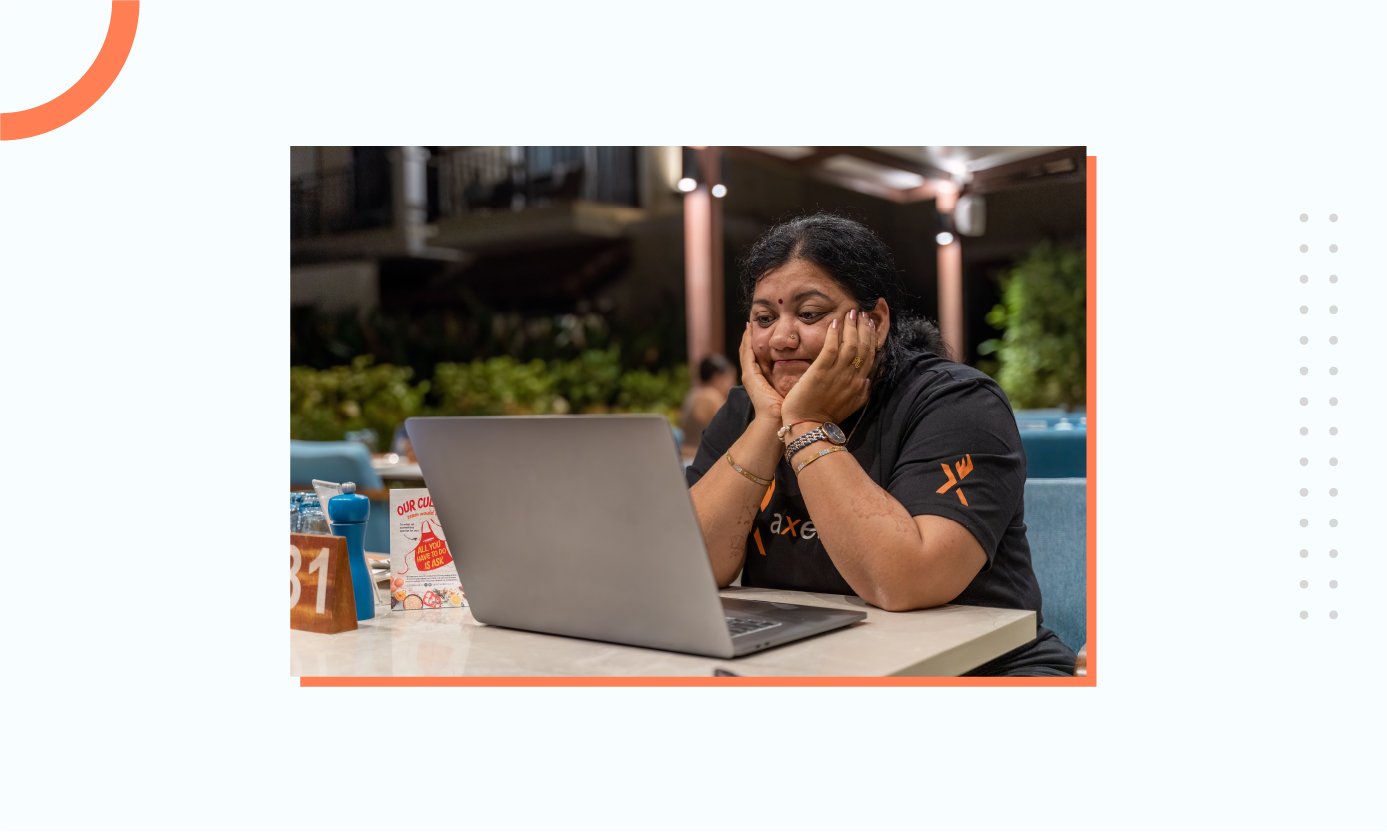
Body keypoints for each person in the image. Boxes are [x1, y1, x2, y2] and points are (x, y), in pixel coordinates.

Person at [684, 213, 1077, 676]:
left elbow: (904, 582)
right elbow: (692, 569)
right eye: (764, 318)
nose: (782, 339)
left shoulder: (957, 402)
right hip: (819, 663)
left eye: (809, 315)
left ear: (874, 321)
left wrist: (808, 424)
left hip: (982, 668)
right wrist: (771, 419)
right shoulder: (749, 410)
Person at [679, 354, 736, 456]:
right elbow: (732, 430)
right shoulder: (712, 397)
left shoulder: (693, 393)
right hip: (698, 457)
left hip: (686, 453)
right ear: (717, 378)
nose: (734, 384)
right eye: (731, 378)